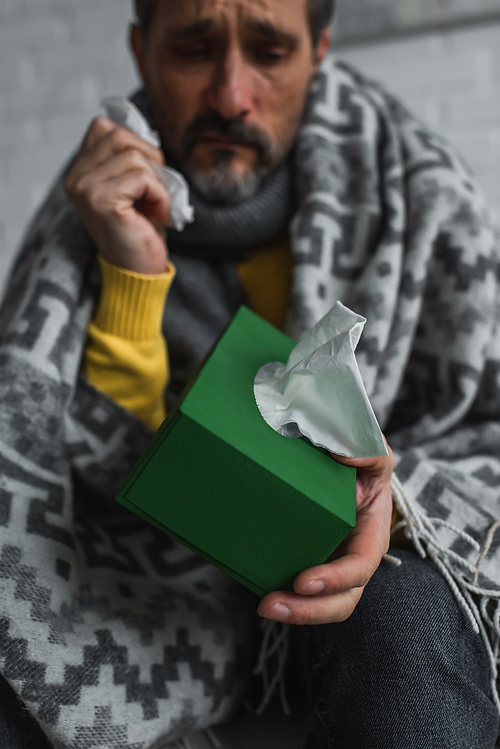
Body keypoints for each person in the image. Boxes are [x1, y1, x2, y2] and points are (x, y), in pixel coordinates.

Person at [0, 0, 498, 747]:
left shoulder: (420, 196)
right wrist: (131, 274)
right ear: (141, 52)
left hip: (379, 570)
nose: (232, 96)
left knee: (402, 614)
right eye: (195, 49)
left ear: (320, 49)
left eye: (269, 51)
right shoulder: (89, 209)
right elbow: (84, 480)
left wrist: (386, 503)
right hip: (171, 587)